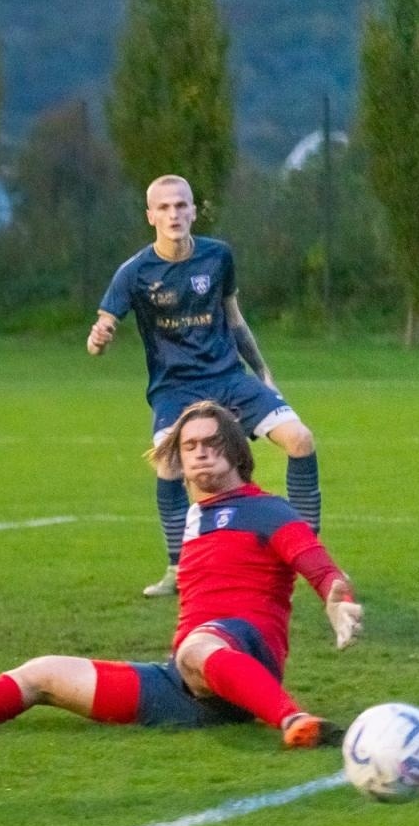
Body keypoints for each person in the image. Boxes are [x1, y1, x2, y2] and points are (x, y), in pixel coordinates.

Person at [0, 401, 361, 748]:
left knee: (198, 646)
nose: (200, 451)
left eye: (211, 442)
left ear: (234, 450)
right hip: (186, 685)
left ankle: (293, 720)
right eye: (189, 446)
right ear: (178, 461)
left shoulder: (265, 509)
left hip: (245, 656)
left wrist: (337, 601)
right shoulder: (193, 516)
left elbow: (316, 564)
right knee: (42, 673)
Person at [88, 174, 323, 598]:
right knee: (168, 467)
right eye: (164, 207)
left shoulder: (218, 256)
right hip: (175, 389)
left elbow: (234, 320)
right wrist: (98, 338)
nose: (174, 214)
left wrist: (264, 374)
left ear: (194, 211)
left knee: (301, 440)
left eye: (181, 205)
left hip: (230, 379)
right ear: (150, 216)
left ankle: (307, 555)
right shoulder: (135, 272)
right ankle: (178, 569)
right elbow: (104, 325)